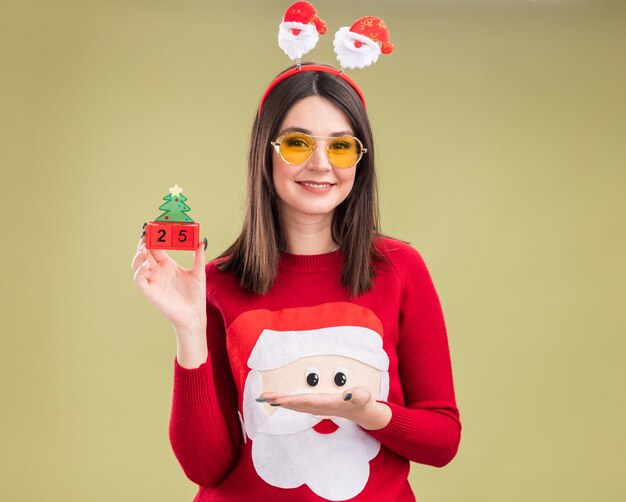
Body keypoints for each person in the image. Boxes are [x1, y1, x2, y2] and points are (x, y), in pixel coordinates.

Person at [131, 62, 461, 501]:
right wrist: (188, 329)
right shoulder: (215, 284)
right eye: (297, 143)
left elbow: (442, 441)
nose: (320, 163)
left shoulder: (400, 269)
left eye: (341, 146)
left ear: (361, 161)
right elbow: (205, 466)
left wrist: (370, 413)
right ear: (265, 152)